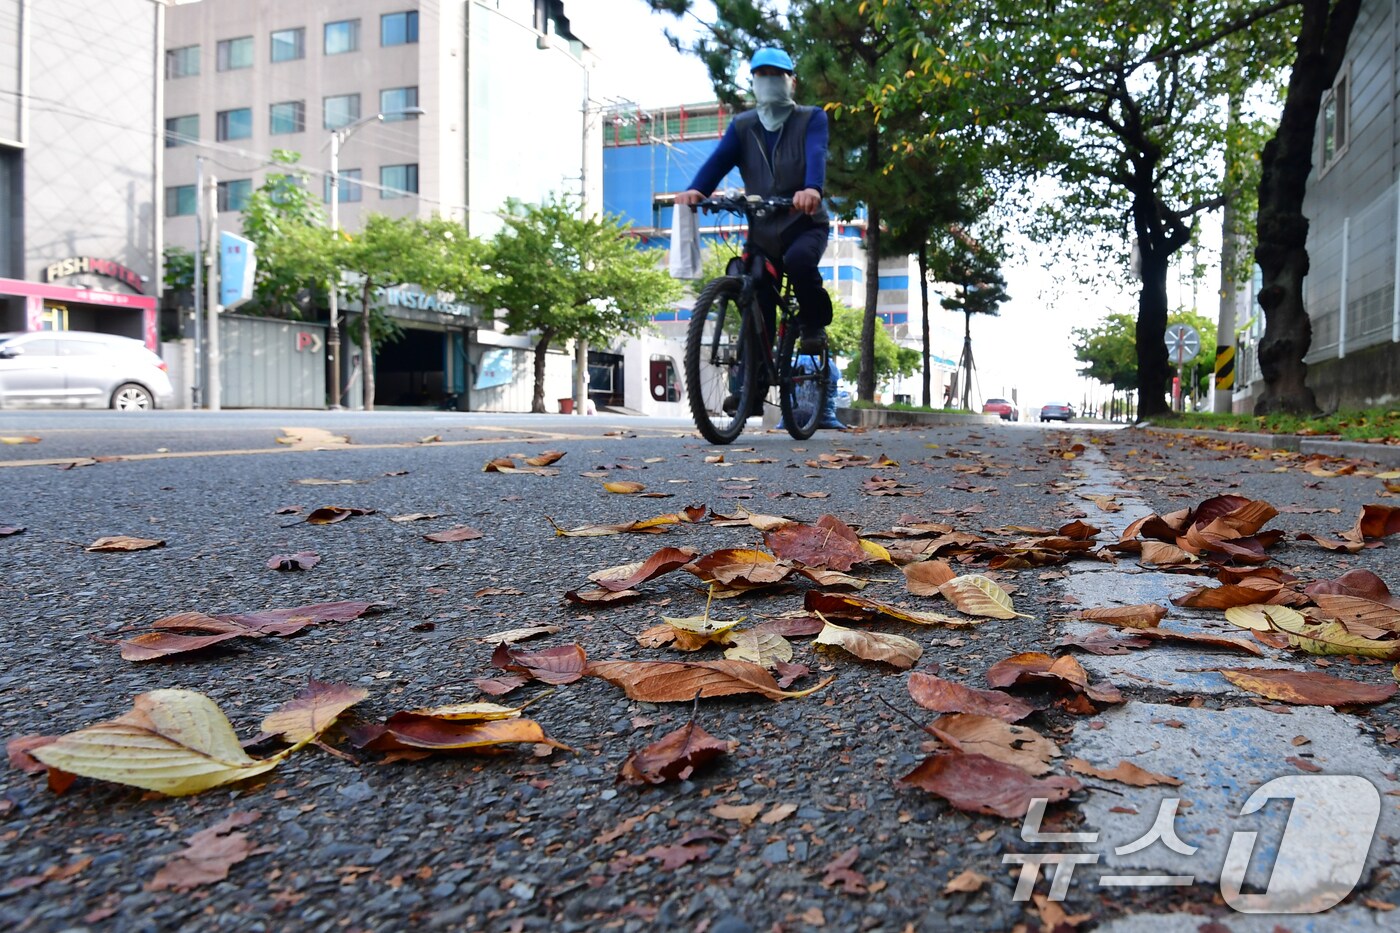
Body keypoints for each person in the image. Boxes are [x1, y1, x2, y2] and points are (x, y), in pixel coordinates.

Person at [675, 47, 833, 358]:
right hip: (763, 232)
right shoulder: (743, 126)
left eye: (777, 75)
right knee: (754, 287)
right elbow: (718, 161)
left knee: (800, 261)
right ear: (753, 83)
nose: (769, 81)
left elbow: (816, 154)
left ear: (792, 82)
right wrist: (697, 190)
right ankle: (753, 381)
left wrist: (812, 189)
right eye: (762, 76)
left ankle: (813, 324)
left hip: (804, 225)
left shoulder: (811, 119)